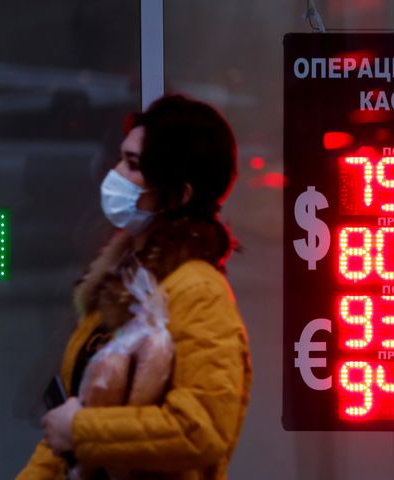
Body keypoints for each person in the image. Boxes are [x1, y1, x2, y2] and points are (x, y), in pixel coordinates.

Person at [17, 94, 252, 480]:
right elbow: (70, 424)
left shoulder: (198, 292)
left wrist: (80, 431)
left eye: (133, 166)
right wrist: (72, 432)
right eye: (120, 158)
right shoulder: (123, 282)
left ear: (180, 194)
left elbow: (202, 429)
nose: (115, 174)